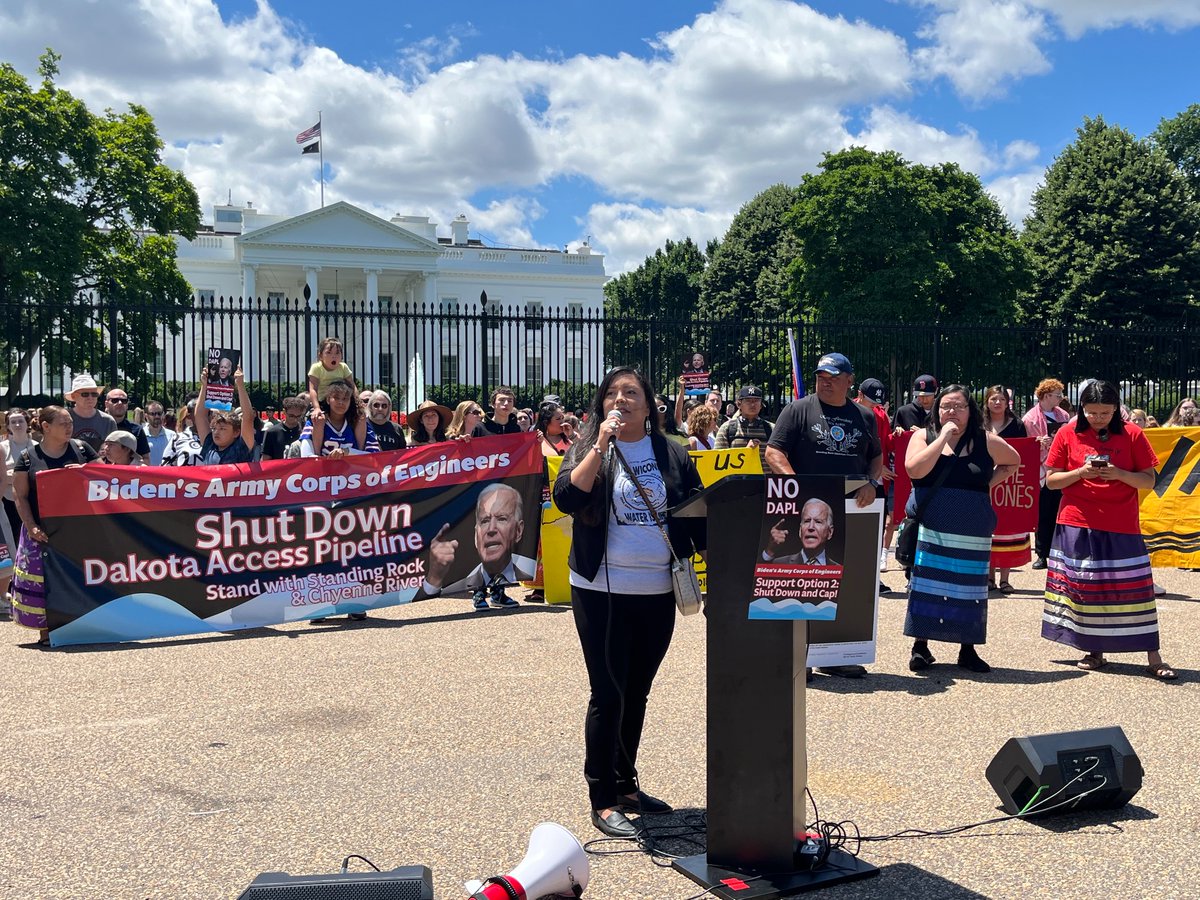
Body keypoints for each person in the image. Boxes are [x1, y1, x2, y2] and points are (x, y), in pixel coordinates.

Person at [553, 366, 706, 839]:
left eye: (632, 392)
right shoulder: (588, 446)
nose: (622, 400)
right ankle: (602, 798)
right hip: (601, 590)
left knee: (636, 690)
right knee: (608, 691)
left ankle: (625, 784)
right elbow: (564, 499)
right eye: (614, 394)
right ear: (603, 405)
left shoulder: (672, 452)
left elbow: (697, 510)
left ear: (649, 403)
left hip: (657, 592)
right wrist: (599, 446)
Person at [1041, 380, 1175, 680]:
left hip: (1121, 523)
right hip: (1077, 520)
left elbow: (1149, 481)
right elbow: (1051, 481)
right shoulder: (1067, 432)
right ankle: (1094, 650)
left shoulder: (1132, 434)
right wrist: (1080, 472)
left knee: (1135, 591)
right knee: (1084, 588)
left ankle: (1153, 655)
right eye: (1091, 412)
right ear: (1081, 409)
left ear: (1116, 409)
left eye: (1105, 412)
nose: (1098, 418)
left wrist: (1118, 474)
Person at [765, 352, 882, 678]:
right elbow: (774, 451)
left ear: (849, 381)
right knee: (802, 583)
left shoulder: (864, 416)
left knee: (843, 582)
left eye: (833, 377)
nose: (825, 382)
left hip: (851, 511)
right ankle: (795, 656)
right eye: (821, 376)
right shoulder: (798, 409)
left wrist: (872, 482)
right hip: (808, 510)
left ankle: (834, 654)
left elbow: (876, 457)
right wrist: (795, 485)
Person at [904, 385, 1020, 674]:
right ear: (936, 410)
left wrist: (984, 486)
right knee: (927, 585)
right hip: (931, 527)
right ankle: (921, 646)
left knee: (969, 589)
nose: (952, 412)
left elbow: (1013, 461)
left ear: (971, 410)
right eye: (945, 406)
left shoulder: (985, 440)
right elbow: (914, 470)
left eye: (959, 406)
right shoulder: (923, 435)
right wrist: (943, 436)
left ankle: (967, 649)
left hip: (972, 528)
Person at [12, 406, 99, 644]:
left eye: (70, 422)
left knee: (81, 577)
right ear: (46, 427)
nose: (70, 427)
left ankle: (84, 625)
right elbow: (19, 495)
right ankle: (47, 630)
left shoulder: (82, 449)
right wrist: (30, 526)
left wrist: (86, 470)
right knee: (43, 581)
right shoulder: (28, 458)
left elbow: (106, 475)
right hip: (42, 530)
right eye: (63, 423)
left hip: (79, 528)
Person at [421, 483, 533, 610]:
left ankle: (498, 591)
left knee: (499, 553)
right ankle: (479, 591)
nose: (492, 529)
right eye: (486, 521)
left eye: (501, 519)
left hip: (487, 475)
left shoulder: (525, 568)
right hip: (469, 487)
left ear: (518, 531)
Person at [982, 385, 1030, 593]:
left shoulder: (1017, 424)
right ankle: (989, 577)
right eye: (993, 399)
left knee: (1008, 527)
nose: (997, 403)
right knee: (988, 529)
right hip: (985, 481)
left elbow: (1025, 450)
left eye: (1001, 399)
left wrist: (1036, 443)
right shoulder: (979, 424)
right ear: (987, 401)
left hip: (1010, 482)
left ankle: (1005, 578)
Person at [1022, 378, 1071, 570]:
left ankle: (1061, 552)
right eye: (1057, 395)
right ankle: (1042, 553)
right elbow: (1025, 443)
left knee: (1061, 510)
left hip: (1062, 466)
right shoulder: (1030, 418)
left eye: (1060, 394)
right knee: (1043, 512)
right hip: (1042, 469)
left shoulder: (1064, 415)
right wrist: (1037, 441)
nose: (1060, 398)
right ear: (1045, 396)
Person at [195, 365, 256, 465]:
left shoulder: (241, 448)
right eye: (214, 428)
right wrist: (205, 385)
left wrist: (240, 385)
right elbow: (200, 416)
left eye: (222, 429)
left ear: (236, 432)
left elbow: (248, 417)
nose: (216, 432)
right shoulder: (209, 444)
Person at [300, 382, 378, 458]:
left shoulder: (360, 423)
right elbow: (306, 455)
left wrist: (347, 452)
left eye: (345, 399)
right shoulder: (315, 422)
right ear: (328, 400)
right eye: (336, 398)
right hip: (323, 470)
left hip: (352, 470)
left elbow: (373, 456)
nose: (341, 402)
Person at [761, 499, 839, 565]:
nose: (811, 527)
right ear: (800, 531)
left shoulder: (838, 570)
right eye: (807, 521)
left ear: (830, 532)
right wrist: (770, 551)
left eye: (818, 522)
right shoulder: (780, 563)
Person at [713, 385, 773, 463]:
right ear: (739, 404)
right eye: (748, 401)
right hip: (736, 475)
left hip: (764, 475)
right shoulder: (726, 428)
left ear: (761, 405)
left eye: (756, 401)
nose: (753, 404)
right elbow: (718, 460)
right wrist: (745, 453)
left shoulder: (771, 429)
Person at [3, 410, 37, 544]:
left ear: (27, 423)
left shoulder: (37, 447)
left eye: (21, 421)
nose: (17, 425)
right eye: (13, 422)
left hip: (31, 500)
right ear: (8, 426)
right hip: (7, 501)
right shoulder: (2, 448)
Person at [65, 374, 117, 453]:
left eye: (94, 394)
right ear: (73, 396)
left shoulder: (108, 421)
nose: (90, 398)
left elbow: (114, 450)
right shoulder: (64, 418)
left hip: (99, 464)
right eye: (85, 394)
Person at [306, 336, 358, 409]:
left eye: (337, 353)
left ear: (342, 356)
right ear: (320, 356)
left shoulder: (343, 367)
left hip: (341, 401)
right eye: (329, 353)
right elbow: (313, 389)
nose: (334, 356)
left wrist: (358, 402)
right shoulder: (316, 368)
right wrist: (316, 408)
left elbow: (352, 386)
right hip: (323, 402)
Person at [103, 388, 152, 457]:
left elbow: (145, 458)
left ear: (127, 405)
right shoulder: (98, 426)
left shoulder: (137, 430)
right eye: (115, 400)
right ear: (106, 404)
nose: (120, 403)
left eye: (124, 401)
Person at [262, 396, 308, 460]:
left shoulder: (305, 432)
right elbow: (265, 459)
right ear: (284, 412)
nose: (295, 419)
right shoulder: (272, 432)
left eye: (298, 416)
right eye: (291, 416)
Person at [143, 401, 176, 465]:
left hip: (166, 474)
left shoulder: (172, 436)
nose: (157, 416)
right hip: (146, 474)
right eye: (153, 414)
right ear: (146, 416)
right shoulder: (140, 435)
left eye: (159, 413)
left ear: (163, 414)